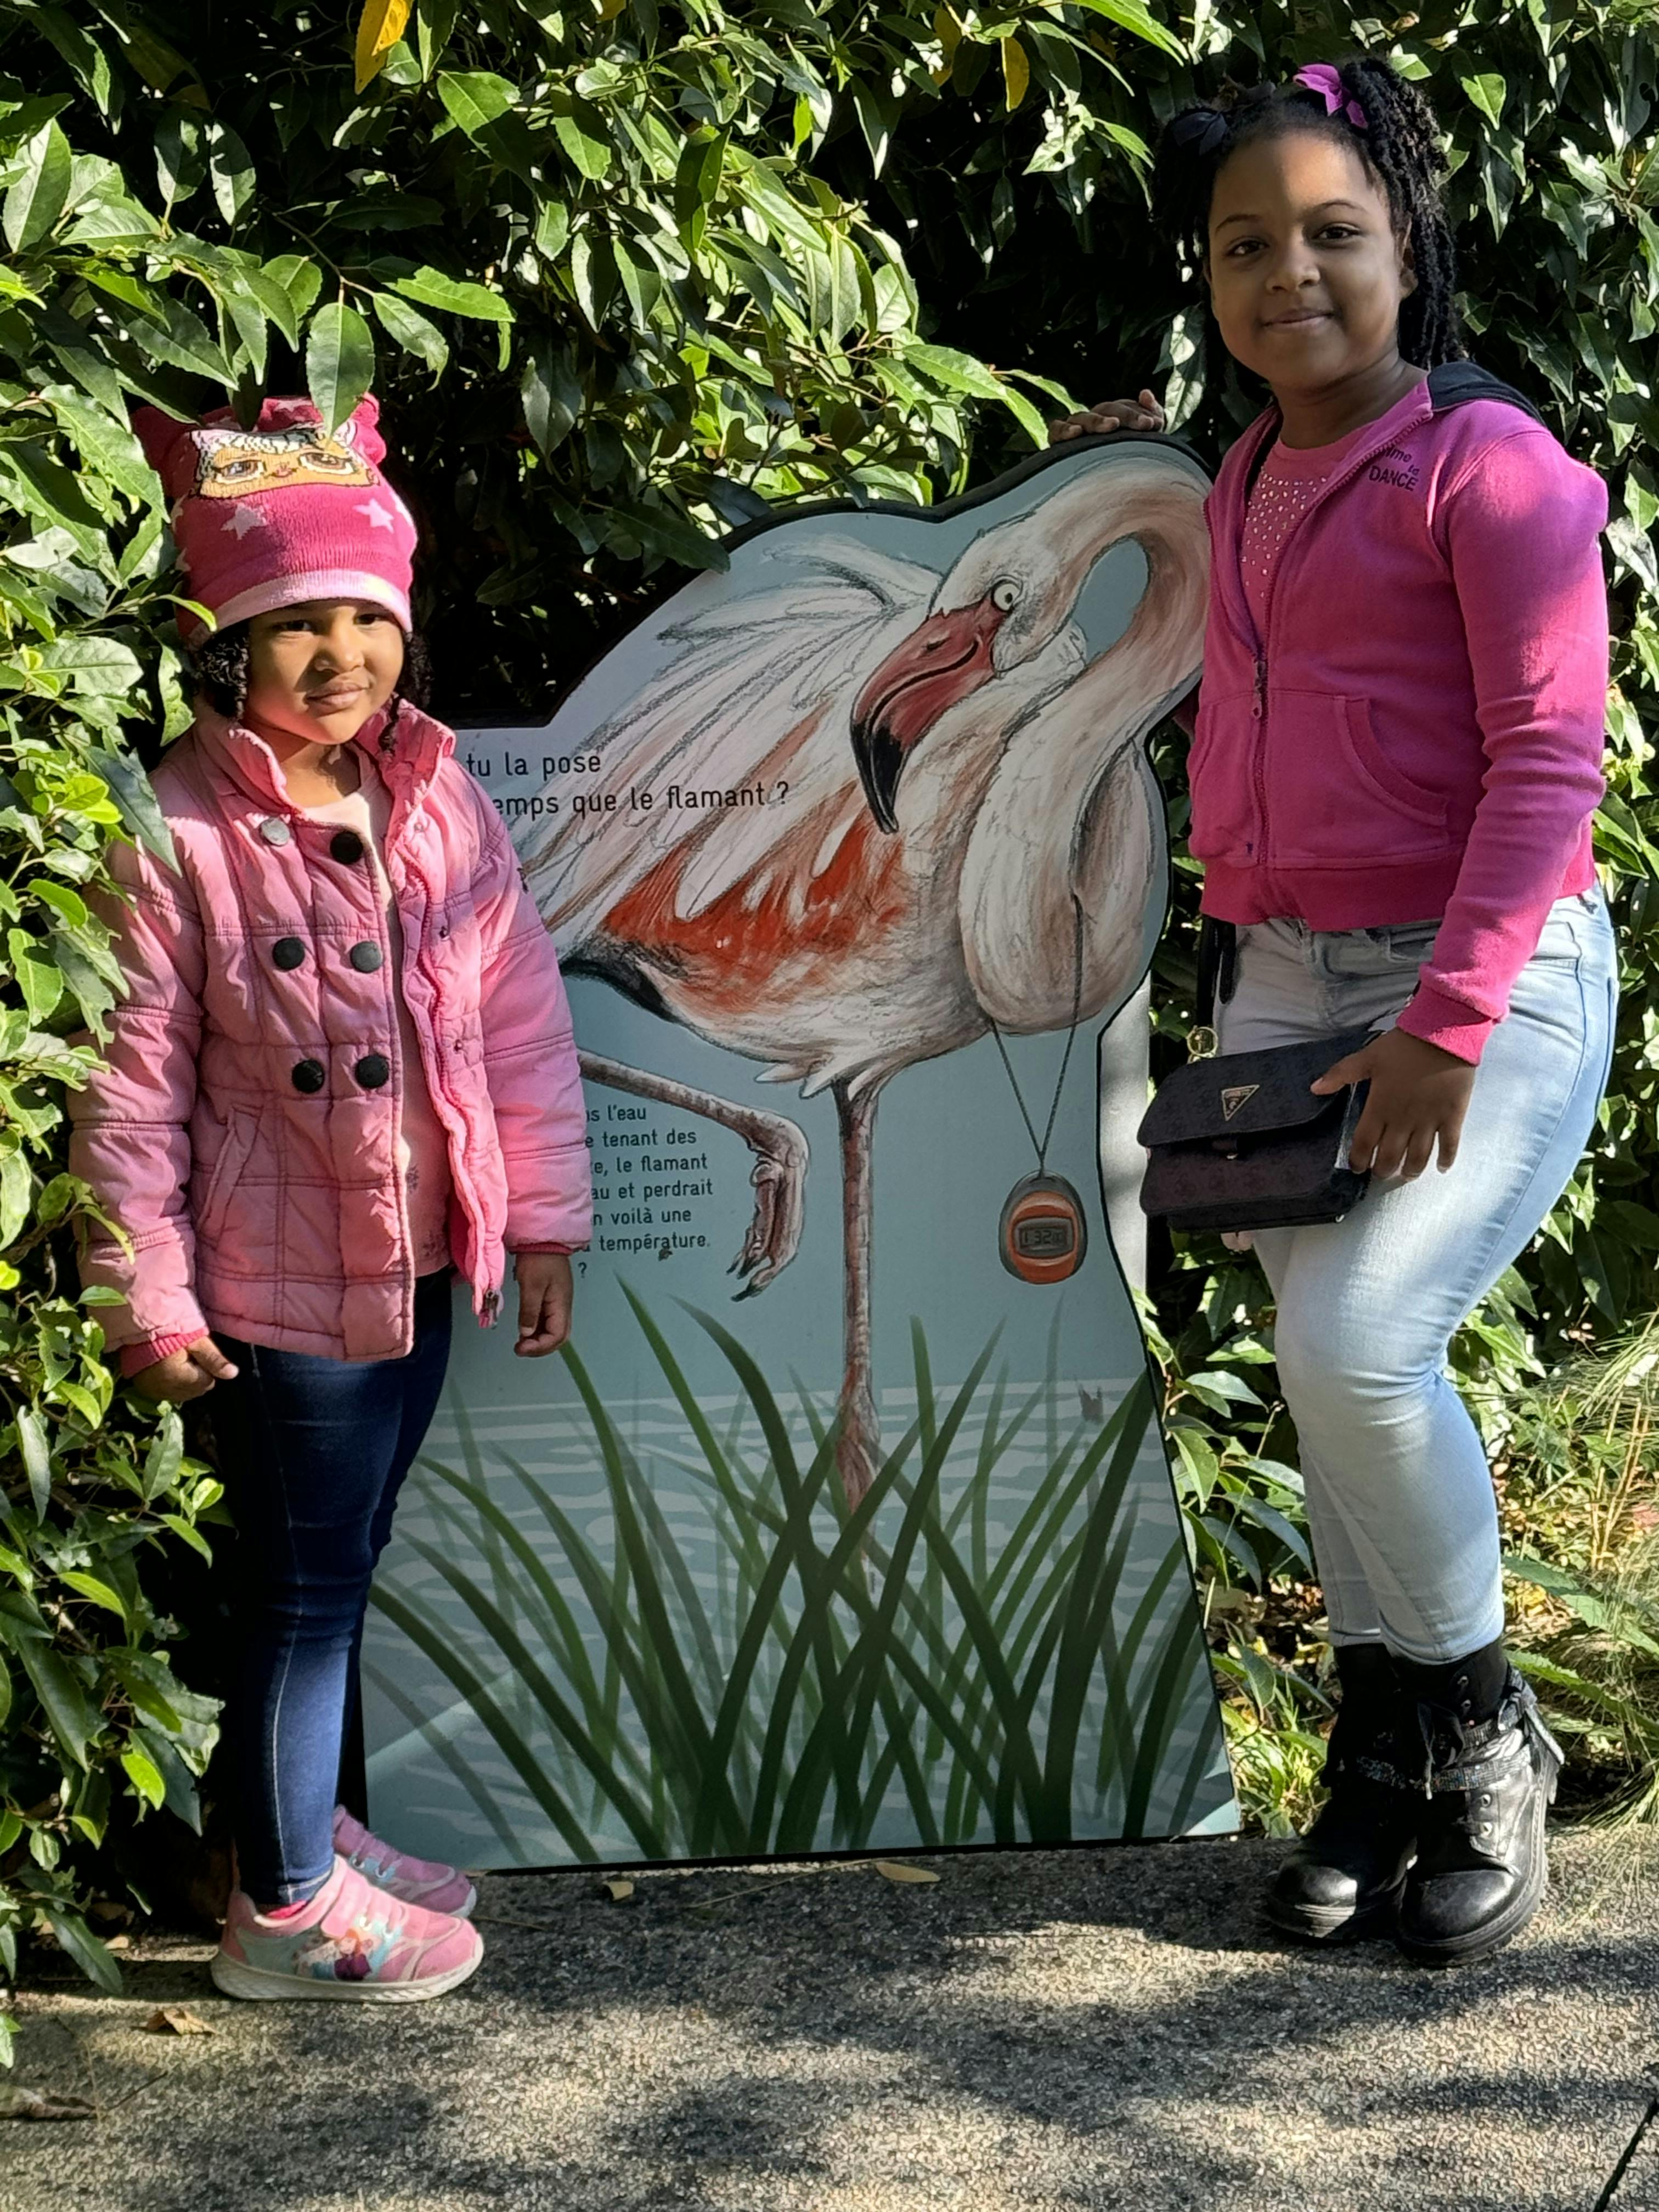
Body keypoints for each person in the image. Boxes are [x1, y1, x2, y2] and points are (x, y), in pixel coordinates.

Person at [1051, 58, 1615, 1964]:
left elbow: (1550, 764)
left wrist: (1447, 1025)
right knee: (1322, 1364)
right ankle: (1383, 1757)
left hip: (1485, 974)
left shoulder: (1492, 466)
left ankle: (1484, 1728)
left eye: (1331, 232)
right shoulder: (1241, 478)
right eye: (1244, 244)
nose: (1286, 270)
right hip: (1290, 978)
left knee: (1366, 1344)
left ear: (1408, 249)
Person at [69, 394, 592, 2001]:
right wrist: (144, 1297)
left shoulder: (431, 795)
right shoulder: (178, 832)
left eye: (367, 615)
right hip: (280, 1288)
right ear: (226, 642)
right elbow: (129, 1096)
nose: (341, 654)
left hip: (423, 1260)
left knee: (342, 1562)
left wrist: (543, 1218)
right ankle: (287, 1911)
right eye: (296, 623)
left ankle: (297, 1834)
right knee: (302, 1589)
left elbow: (517, 1017)